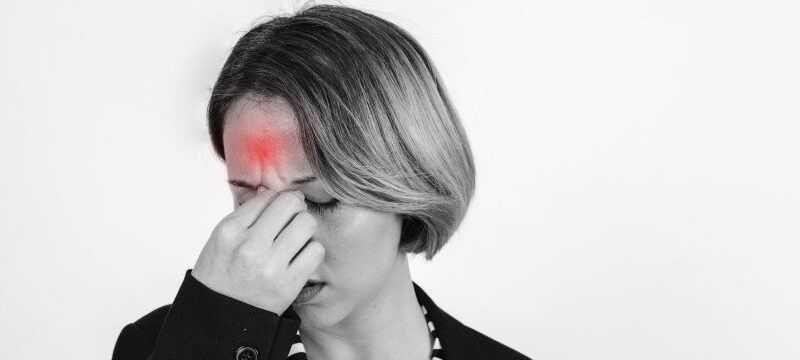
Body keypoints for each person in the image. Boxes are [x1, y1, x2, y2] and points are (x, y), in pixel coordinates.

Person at [112, 3, 531, 360]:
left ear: (411, 185)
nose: (279, 239)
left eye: (319, 200)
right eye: (248, 198)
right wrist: (220, 330)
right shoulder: (161, 347)